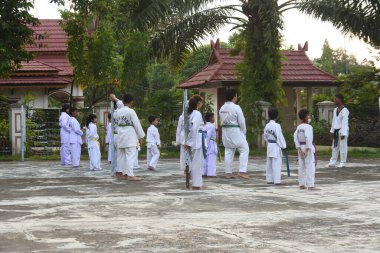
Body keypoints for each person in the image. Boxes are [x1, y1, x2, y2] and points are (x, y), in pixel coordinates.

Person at [219, 89, 250, 179]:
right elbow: (242, 122)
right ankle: (242, 171)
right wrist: (243, 132)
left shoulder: (222, 108)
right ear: (234, 97)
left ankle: (228, 172)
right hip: (235, 130)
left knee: (228, 151)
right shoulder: (236, 107)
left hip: (225, 131)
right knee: (244, 149)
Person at [114, 94, 145, 181]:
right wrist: (140, 136)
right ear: (131, 102)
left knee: (121, 155)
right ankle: (130, 175)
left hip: (120, 132)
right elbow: (137, 124)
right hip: (129, 133)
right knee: (130, 154)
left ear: (123, 102)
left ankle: (120, 172)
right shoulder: (131, 111)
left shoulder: (118, 111)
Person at [185, 95, 207, 190]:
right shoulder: (197, 114)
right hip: (197, 140)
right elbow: (194, 128)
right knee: (197, 163)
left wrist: (189, 141)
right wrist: (189, 142)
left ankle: (197, 183)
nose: (202, 104)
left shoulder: (192, 114)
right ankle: (197, 185)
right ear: (198, 103)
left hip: (195, 139)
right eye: (201, 102)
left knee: (195, 163)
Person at [293, 109, 317, 190]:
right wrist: (307, 150)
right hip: (307, 147)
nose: (309, 117)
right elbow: (308, 138)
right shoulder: (308, 127)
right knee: (310, 166)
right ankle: (310, 185)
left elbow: (295, 137)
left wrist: (299, 149)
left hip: (301, 147)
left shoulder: (299, 127)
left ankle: (302, 184)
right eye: (308, 115)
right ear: (306, 117)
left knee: (301, 166)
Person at [263, 109, 286, 185]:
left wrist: (268, 141)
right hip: (276, 146)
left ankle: (269, 179)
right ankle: (277, 180)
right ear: (276, 116)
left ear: (269, 116)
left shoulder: (267, 125)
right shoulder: (277, 126)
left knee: (269, 163)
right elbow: (279, 137)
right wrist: (283, 146)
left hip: (269, 145)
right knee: (276, 163)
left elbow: (265, 136)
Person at [326, 94, 350, 168]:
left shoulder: (345, 110)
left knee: (343, 147)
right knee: (335, 146)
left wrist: (343, 133)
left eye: (335, 99)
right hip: (336, 130)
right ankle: (333, 162)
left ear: (340, 99)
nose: (334, 100)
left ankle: (343, 162)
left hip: (342, 130)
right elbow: (334, 121)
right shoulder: (335, 110)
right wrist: (332, 131)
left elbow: (345, 122)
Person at [203, 112, 218, 177]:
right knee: (211, 159)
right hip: (210, 144)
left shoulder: (206, 126)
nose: (214, 118)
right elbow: (208, 136)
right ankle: (211, 173)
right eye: (213, 117)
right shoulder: (211, 126)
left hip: (208, 143)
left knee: (206, 159)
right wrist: (206, 145)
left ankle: (204, 172)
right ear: (210, 118)